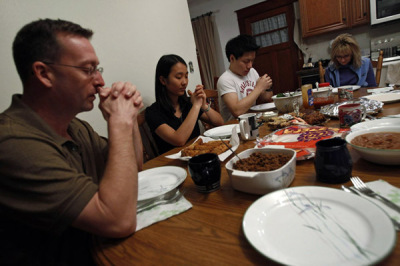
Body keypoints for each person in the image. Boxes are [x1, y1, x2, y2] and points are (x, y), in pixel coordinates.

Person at [0, 19, 143, 265]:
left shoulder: (76, 127)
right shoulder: (12, 141)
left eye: (98, 69)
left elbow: (135, 167)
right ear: (44, 73)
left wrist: (125, 117)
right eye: (88, 69)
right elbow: (118, 220)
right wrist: (120, 123)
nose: (99, 81)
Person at [146, 54, 224, 154]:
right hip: (170, 164)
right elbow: (179, 140)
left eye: (186, 76)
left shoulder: (187, 103)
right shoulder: (153, 112)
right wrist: (196, 106)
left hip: (198, 156)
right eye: (179, 77)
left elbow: (220, 122)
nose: (184, 82)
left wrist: (203, 105)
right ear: (163, 80)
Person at [217, 34, 273, 122]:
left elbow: (266, 98)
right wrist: (259, 88)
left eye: (252, 61)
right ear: (232, 58)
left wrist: (267, 87)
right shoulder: (225, 80)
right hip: (235, 127)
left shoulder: (252, 72)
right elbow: (237, 111)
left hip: (254, 121)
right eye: (246, 61)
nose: (250, 66)